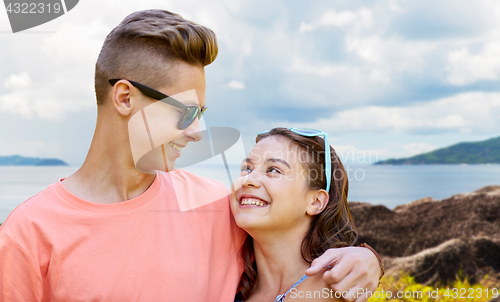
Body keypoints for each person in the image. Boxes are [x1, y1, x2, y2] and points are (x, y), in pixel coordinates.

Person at [0, 10, 382, 302]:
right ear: (125, 97)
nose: (197, 132)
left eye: (200, 115)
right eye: (185, 113)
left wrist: (369, 260)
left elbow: (295, 244)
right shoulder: (27, 236)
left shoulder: (217, 207)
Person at [232, 128, 373, 301]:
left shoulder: (334, 291)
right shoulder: (228, 288)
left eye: (274, 170)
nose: (248, 180)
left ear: (315, 202)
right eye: (247, 168)